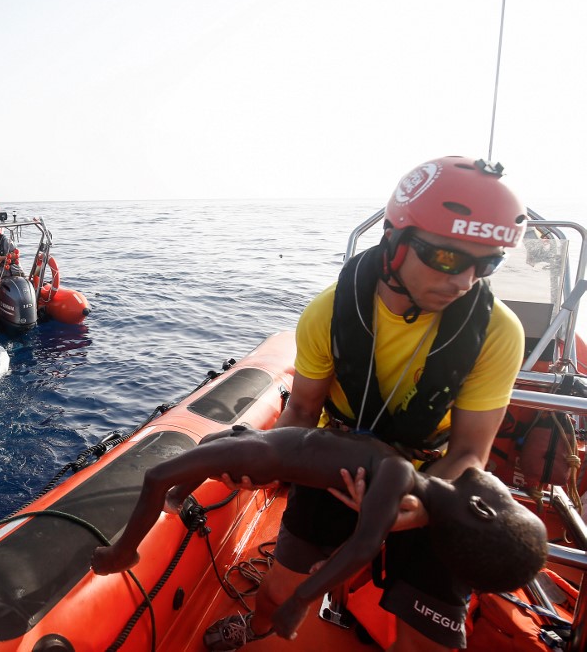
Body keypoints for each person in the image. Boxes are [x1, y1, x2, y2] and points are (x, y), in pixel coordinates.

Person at [208, 156, 528, 651]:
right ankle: (258, 627)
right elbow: (300, 413)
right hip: (337, 466)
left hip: (433, 481)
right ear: (394, 242)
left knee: (427, 643)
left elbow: (469, 450)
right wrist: (260, 459)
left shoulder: (498, 333)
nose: (464, 280)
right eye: (447, 258)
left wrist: (417, 506)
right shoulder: (328, 313)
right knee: (276, 593)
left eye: (487, 264)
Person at [90, 425, 548, 643]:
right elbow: (364, 541)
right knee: (210, 447)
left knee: (157, 475)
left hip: (266, 456)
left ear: (484, 509)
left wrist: (300, 601)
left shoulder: (395, 473)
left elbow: (366, 543)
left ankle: (122, 553)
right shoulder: (399, 476)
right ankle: (175, 502)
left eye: (503, 496)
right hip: (275, 447)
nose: (497, 482)